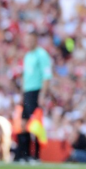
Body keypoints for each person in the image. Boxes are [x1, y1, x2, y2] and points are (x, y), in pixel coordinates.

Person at [15, 32, 51, 162]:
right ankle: (24, 155)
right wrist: (21, 94)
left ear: (35, 40)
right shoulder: (27, 56)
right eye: (26, 40)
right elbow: (25, 77)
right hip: (27, 92)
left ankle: (36, 156)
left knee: (34, 124)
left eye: (30, 40)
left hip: (36, 91)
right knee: (23, 124)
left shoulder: (41, 55)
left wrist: (42, 94)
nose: (28, 43)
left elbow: (46, 76)